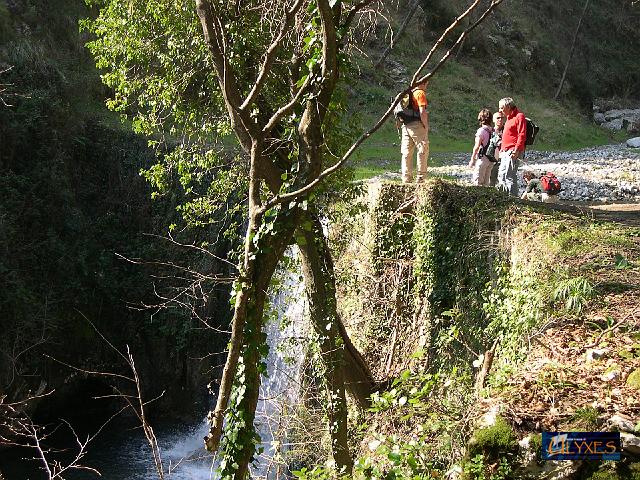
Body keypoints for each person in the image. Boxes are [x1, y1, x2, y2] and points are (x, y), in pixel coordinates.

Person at [400, 80, 429, 183]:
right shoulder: (420, 93)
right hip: (416, 125)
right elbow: (422, 111)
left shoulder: (408, 93)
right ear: (423, 83)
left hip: (405, 125)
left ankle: (406, 179)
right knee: (423, 149)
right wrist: (425, 125)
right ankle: (421, 178)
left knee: (406, 152)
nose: (426, 86)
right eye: (426, 84)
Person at [497, 97, 527, 196]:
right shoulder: (508, 119)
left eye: (501, 108)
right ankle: (504, 196)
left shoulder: (519, 116)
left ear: (508, 107)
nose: (500, 110)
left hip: (513, 151)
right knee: (502, 174)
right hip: (505, 151)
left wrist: (516, 150)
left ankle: (513, 199)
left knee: (509, 175)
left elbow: (522, 135)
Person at [468, 108, 494, 186]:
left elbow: (477, 146)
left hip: (482, 159)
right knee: (486, 184)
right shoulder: (493, 131)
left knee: (478, 183)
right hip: (491, 159)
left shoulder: (481, 131)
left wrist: (472, 159)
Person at [488, 111, 504, 187]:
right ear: (493, 120)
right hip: (492, 158)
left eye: (502, 118)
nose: (500, 119)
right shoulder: (490, 132)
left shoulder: (507, 131)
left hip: (504, 158)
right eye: (498, 118)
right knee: (491, 179)